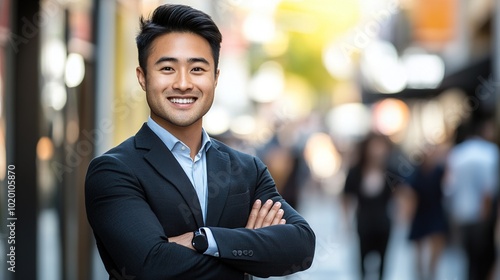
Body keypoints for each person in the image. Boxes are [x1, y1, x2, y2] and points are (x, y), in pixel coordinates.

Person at [85, 4, 315, 279]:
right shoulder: (113, 171)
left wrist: (205, 240)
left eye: (197, 69)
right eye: (168, 68)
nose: (183, 83)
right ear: (143, 77)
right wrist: (248, 249)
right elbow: (152, 266)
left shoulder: (247, 169)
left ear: (215, 78)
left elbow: (301, 246)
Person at [445, 116, 498, 280]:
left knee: (469, 258)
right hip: (483, 214)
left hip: (463, 213)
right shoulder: (490, 152)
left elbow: (449, 188)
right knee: (484, 257)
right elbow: (489, 188)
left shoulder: (456, 154)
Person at [342, 133, 394, 280]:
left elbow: (401, 193)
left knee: (383, 261)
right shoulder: (355, 171)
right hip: (364, 222)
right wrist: (346, 222)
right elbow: (346, 197)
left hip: (383, 222)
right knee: (362, 259)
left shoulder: (390, 170)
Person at [405, 148, 448, 280]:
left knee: (436, 241)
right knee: (419, 247)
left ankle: (431, 272)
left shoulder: (439, 171)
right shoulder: (415, 173)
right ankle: (421, 273)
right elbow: (410, 194)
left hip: (435, 210)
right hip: (421, 212)